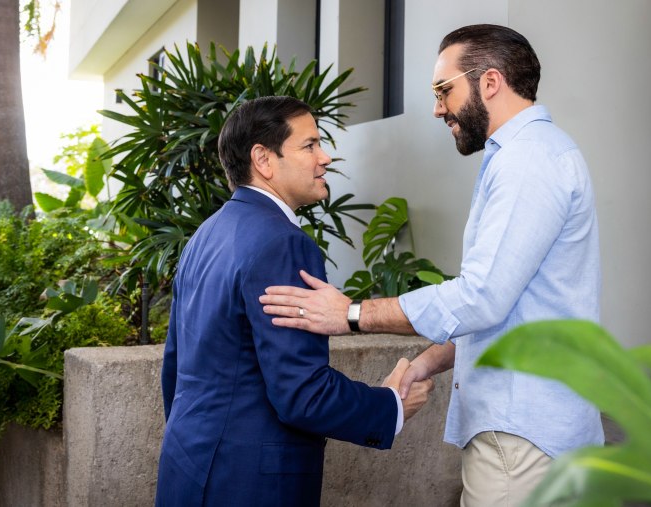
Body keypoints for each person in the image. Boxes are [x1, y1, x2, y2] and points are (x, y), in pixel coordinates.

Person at [259, 24, 604, 507]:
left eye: (444, 91)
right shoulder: (531, 156)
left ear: (490, 82)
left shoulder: (528, 162)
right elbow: (515, 307)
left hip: (521, 435)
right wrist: (430, 361)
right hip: (531, 431)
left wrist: (351, 314)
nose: (438, 107)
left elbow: (481, 298)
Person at [155, 96, 434, 507]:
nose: (325, 158)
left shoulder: (205, 235)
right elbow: (301, 394)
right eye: (310, 146)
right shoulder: (282, 243)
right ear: (263, 160)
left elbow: (174, 369)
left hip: (187, 466)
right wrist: (388, 405)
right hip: (250, 484)